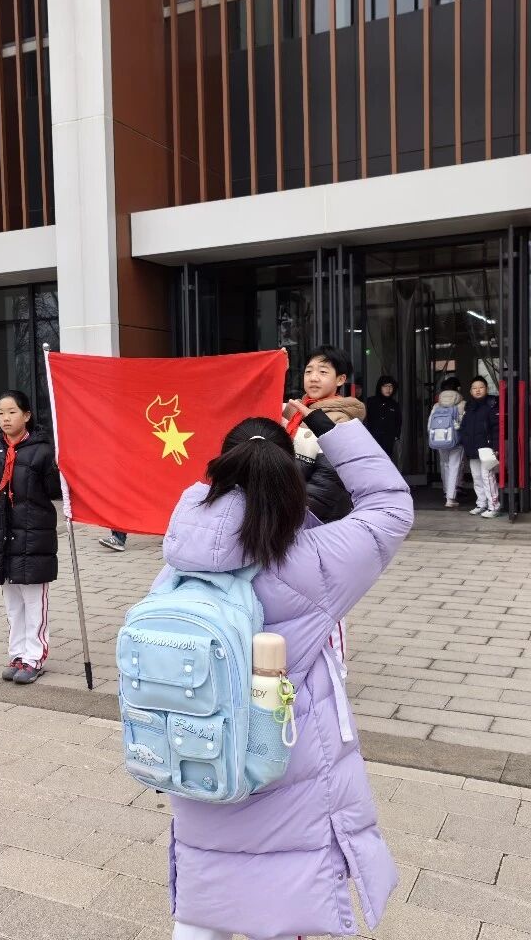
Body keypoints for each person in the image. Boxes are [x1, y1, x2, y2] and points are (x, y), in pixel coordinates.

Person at [161, 402, 413, 940]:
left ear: (220, 470)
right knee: (285, 904)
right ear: (288, 474)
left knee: (205, 905)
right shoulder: (316, 559)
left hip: (199, 755)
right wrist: (330, 429)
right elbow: (390, 505)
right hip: (284, 760)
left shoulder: (180, 560)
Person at [0, 390, 61, 685]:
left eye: (12, 412)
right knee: (13, 603)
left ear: (27, 415)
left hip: (34, 538)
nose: (6, 418)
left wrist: (59, 467)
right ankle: (18, 654)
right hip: (3, 539)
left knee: (34, 602)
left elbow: (55, 491)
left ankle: (34, 658)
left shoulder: (42, 451)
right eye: (1, 413)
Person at [284, 345, 366, 522]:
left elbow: (328, 480)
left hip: (318, 517)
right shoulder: (294, 410)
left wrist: (293, 512)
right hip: (289, 506)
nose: (313, 378)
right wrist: (277, 368)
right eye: (308, 371)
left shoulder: (341, 420)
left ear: (340, 379)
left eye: (323, 372)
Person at [460, 375, 502, 518]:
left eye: (481, 387)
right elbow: (464, 426)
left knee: (487, 477)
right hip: (472, 448)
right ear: (471, 391)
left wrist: (496, 447)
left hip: (487, 448)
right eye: (474, 388)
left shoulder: (492, 404)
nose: (477, 390)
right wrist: (464, 441)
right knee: (477, 477)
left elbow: (496, 428)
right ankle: (481, 504)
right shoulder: (469, 406)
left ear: (487, 389)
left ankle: (494, 506)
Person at [429, 377, 466, 508]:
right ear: (458, 389)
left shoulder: (437, 405)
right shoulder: (462, 404)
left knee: (444, 465)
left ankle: (446, 492)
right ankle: (451, 498)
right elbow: (465, 424)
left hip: (440, 439)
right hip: (457, 441)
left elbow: (430, 425)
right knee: (454, 466)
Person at [363, 374, 402, 462]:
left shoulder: (394, 405)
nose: (388, 389)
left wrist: (396, 436)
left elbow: (398, 422)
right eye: (385, 386)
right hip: (372, 440)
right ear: (380, 387)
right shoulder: (370, 402)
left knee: (386, 461)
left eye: (391, 386)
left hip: (388, 441)